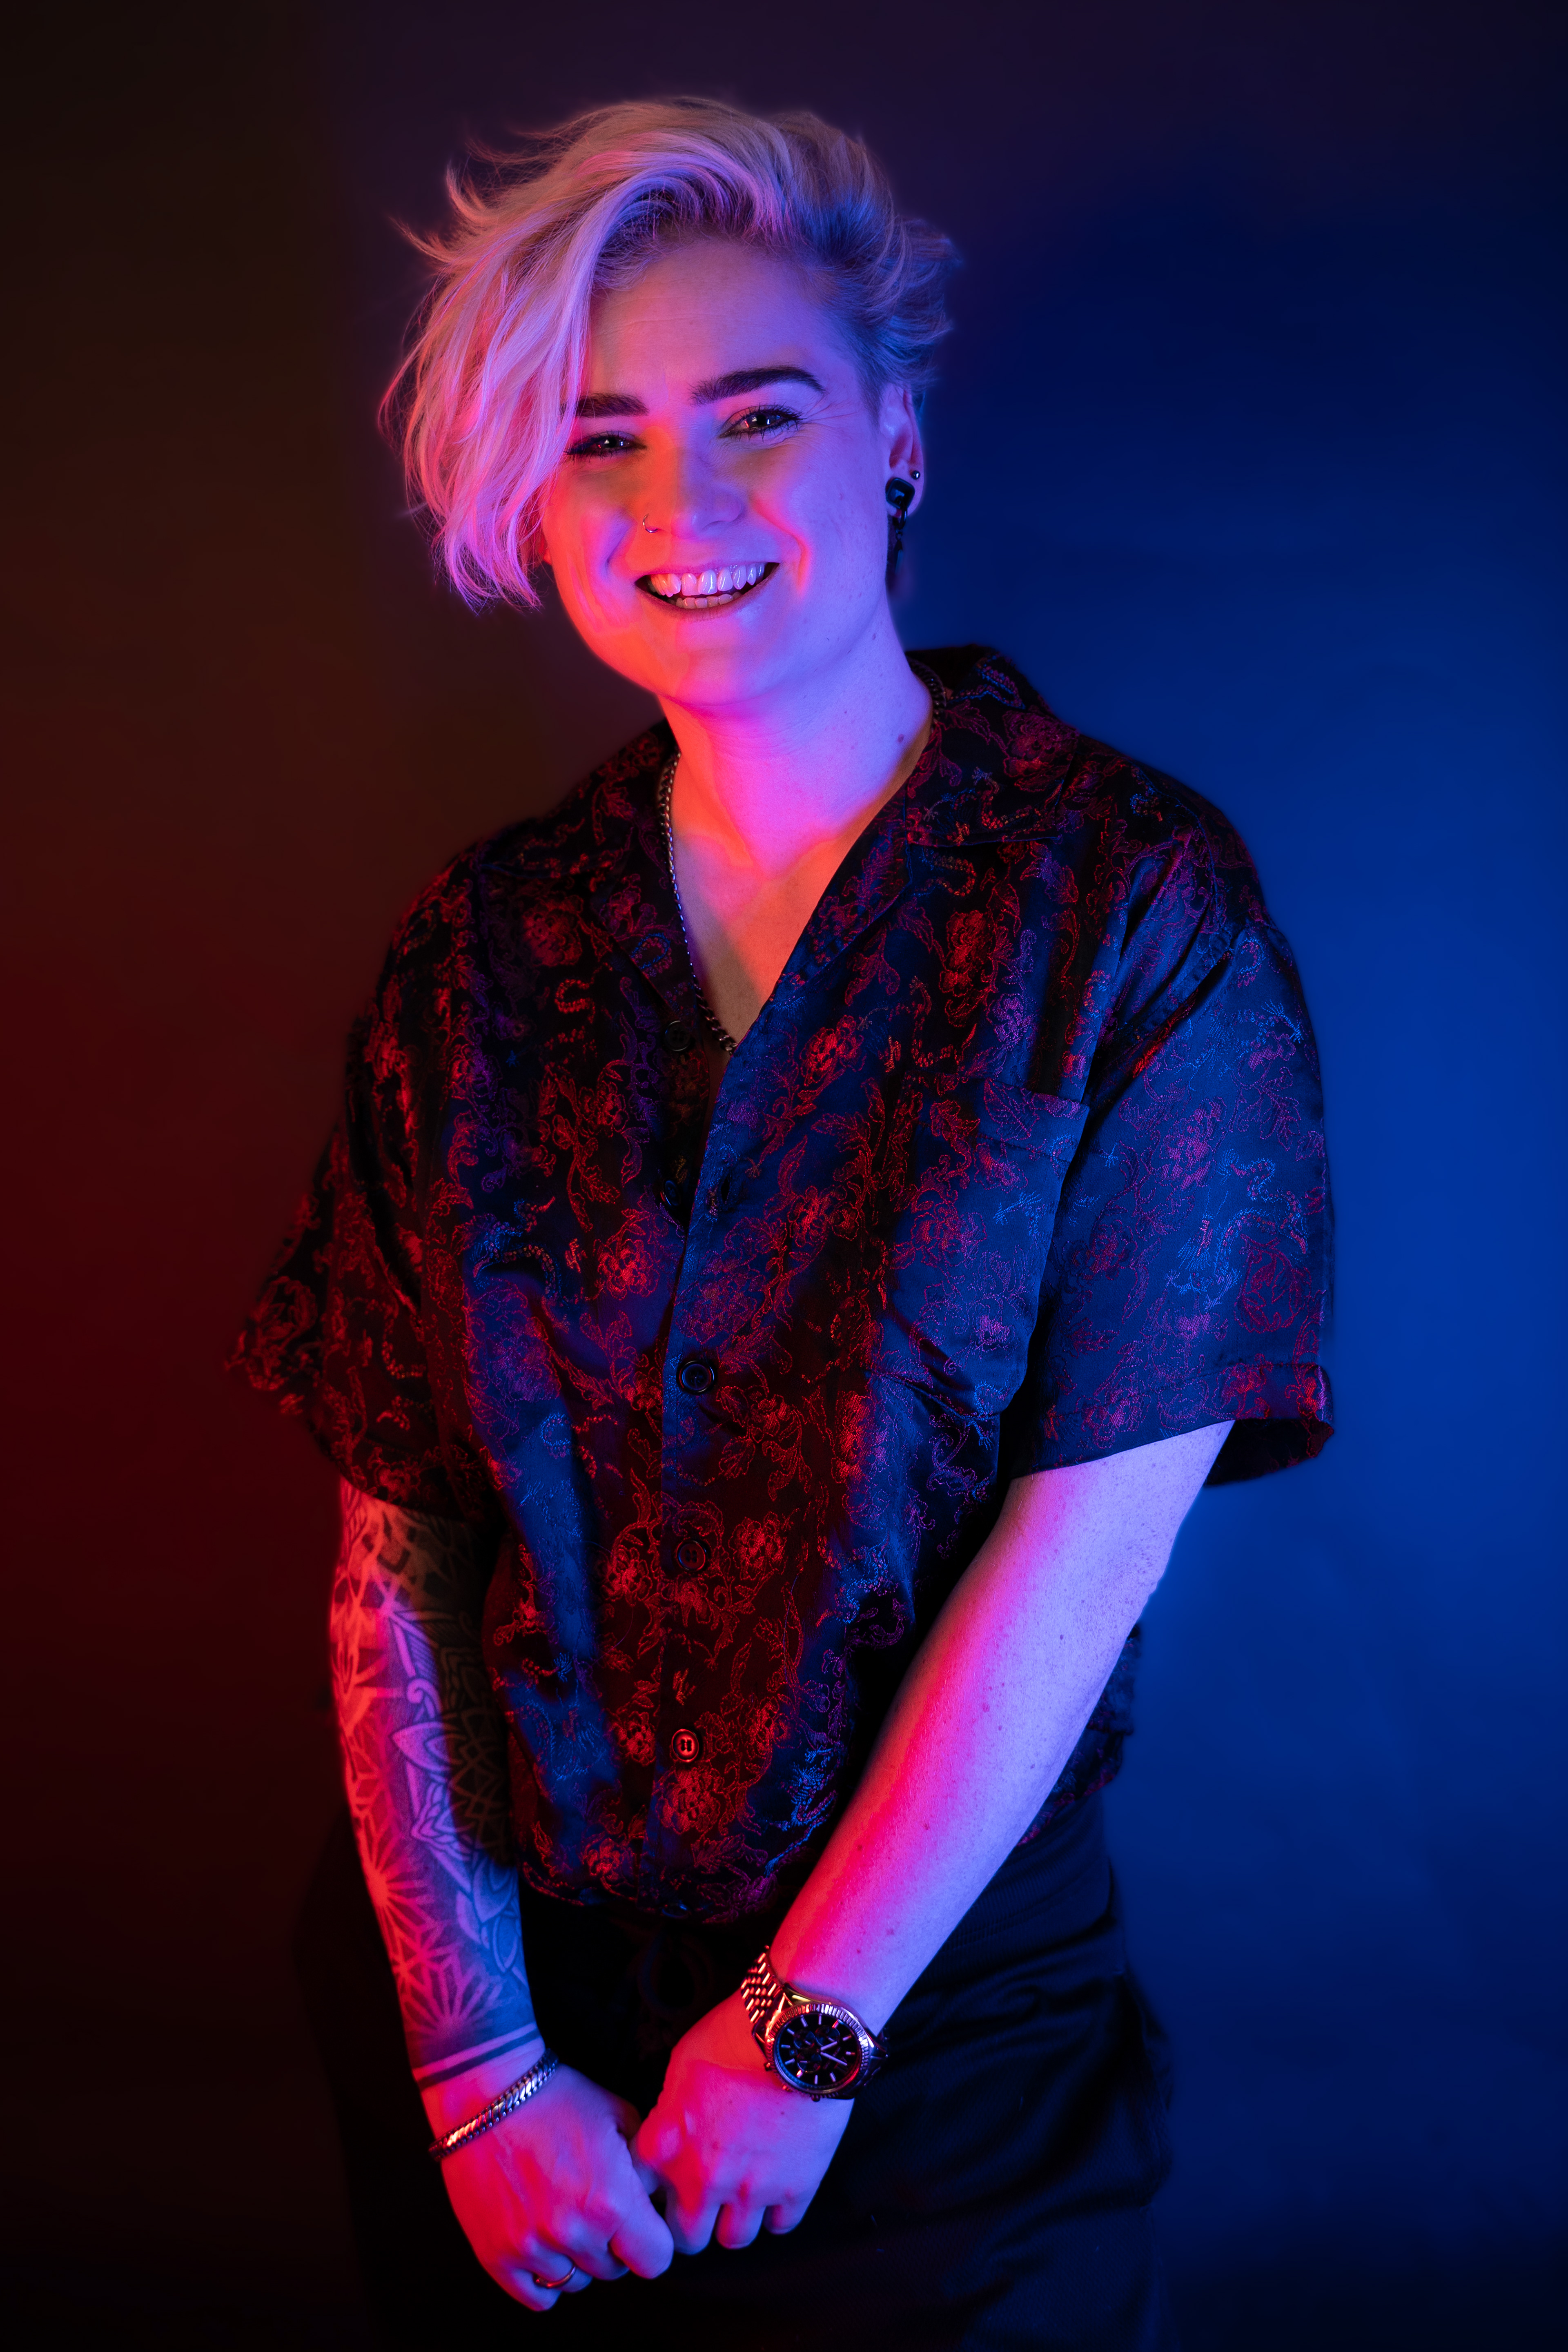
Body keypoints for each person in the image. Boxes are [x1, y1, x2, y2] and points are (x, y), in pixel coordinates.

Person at [234, 97, 1332, 2352]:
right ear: (534, 507)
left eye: (760, 416)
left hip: (934, 2040)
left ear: (893, 443)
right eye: (601, 441)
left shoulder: (1131, 908)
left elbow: (1085, 1548)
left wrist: (803, 2027)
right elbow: (395, 1544)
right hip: (505, 2056)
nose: (684, 507)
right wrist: (475, 2064)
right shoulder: (481, 952)